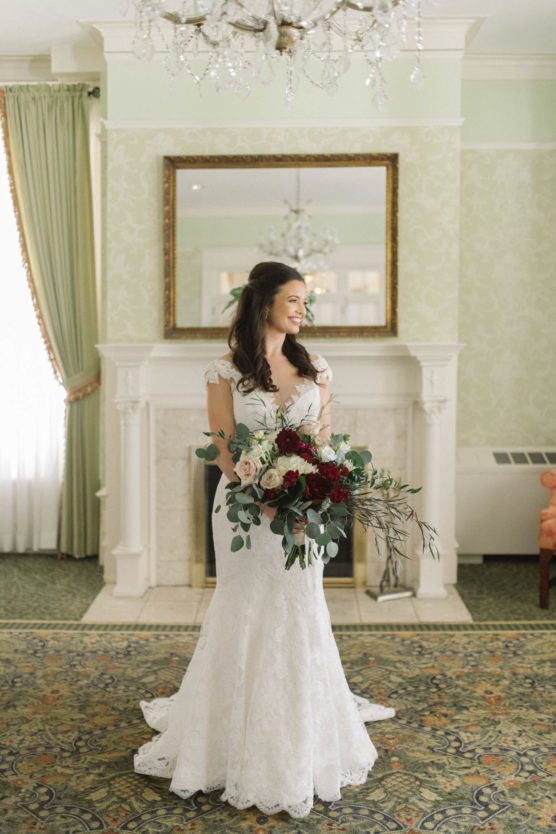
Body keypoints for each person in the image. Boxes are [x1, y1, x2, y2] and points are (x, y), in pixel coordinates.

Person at [134, 261, 394, 818]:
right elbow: (224, 447)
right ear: (264, 303)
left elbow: (323, 444)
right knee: (245, 608)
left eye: (304, 301)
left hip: (304, 517)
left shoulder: (316, 368)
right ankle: (227, 739)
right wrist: (264, 494)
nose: (303, 310)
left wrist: (315, 498)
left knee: (300, 608)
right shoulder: (224, 371)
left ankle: (300, 739)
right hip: (244, 512)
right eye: (293, 300)